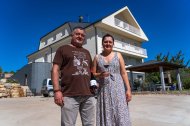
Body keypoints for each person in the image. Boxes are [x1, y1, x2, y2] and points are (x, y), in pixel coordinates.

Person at [52, 27, 96, 126]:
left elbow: (91, 71)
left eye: (82, 35)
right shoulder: (62, 49)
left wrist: (95, 83)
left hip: (88, 95)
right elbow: (55, 69)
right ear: (72, 35)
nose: (80, 36)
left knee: (89, 124)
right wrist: (57, 91)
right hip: (69, 95)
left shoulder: (87, 52)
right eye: (77, 34)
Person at [91, 34, 132, 126]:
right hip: (104, 90)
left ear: (113, 44)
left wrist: (128, 89)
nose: (108, 43)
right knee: (107, 112)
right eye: (105, 42)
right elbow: (93, 73)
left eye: (110, 42)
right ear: (102, 43)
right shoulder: (97, 57)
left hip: (118, 89)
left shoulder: (118, 55)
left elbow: (124, 73)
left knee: (120, 112)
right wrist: (100, 74)